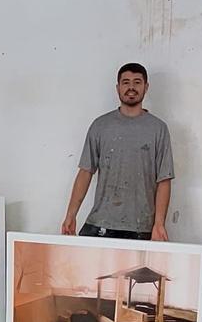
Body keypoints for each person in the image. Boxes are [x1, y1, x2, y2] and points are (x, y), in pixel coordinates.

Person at [61, 62, 174, 241]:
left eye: (137, 82)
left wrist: (159, 224)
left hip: (141, 227)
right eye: (126, 82)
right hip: (100, 223)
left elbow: (164, 179)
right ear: (118, 88)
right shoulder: (100, 126)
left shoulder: (158, 129)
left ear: (146, 87)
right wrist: (71, 214)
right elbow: (85, 172)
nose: (131, 87)